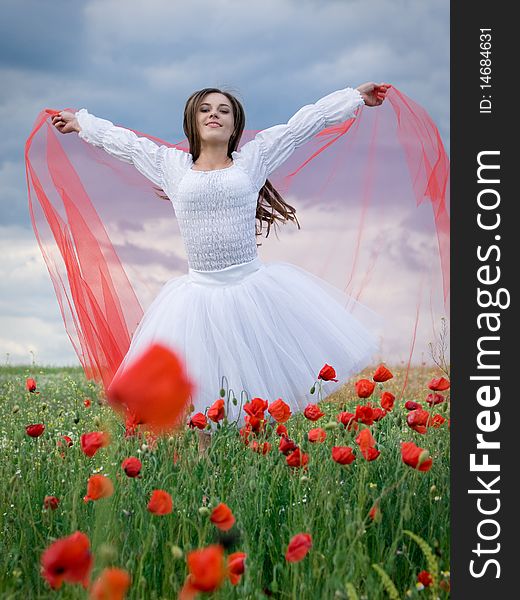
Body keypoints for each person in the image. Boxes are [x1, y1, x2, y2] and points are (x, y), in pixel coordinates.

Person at [50, 82, 390, 428]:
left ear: (234, 125)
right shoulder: (171, 166)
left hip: (253, 291)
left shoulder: (253, 160)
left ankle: (260, 455)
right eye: (205, 109)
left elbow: (302, 126)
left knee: (261, 394)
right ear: (192, 123)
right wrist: (81, 123)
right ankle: (207, 462)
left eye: (223, 110)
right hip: (197, 299)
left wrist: (353, 98)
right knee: (204, 399)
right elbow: (126, 144)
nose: (214, 114)